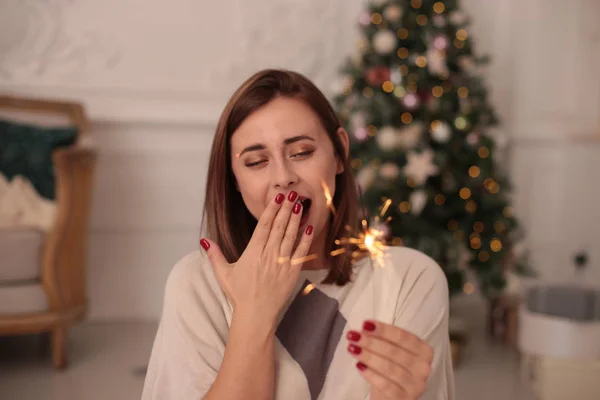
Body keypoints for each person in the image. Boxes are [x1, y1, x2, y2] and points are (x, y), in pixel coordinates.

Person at [141, 69, 455, 400]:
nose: (283, 177)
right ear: (235, 181)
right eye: (256, 161)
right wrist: (253, 313)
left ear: (338, 153)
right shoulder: (196, 283)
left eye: (301, 152)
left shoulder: (410, 280)